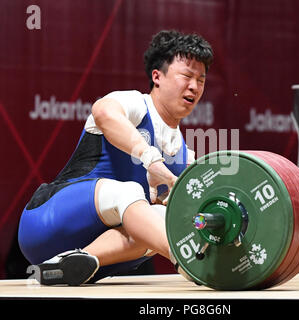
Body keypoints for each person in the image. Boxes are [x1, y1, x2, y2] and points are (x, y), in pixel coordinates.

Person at [18, 30, 213, 285]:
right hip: (46, 222)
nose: (194, 86)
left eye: (201, 79)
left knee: (169, 218)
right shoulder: (132, 103)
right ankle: (187, 262)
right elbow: (103, 113)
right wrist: (151, 160)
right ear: (157, 76)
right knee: (130, 191)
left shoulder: (186, 154)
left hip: (101, 257)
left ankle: (73, 262)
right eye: (187, 76)